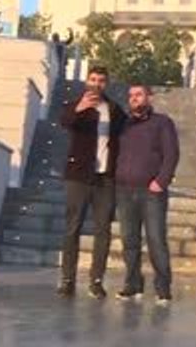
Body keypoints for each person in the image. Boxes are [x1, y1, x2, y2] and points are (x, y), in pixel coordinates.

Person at [57, 65, 125, 298]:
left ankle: (96, 281)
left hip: (105, 178)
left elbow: (126, 132)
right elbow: (65, 122)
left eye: (101, 80)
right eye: (93, 79)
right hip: (78, 176)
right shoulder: (76, 104)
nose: (97, 83)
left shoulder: (113, 109)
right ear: (87, 81)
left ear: (106, 83)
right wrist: (80, 108)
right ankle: (67, 279)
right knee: (72, 228)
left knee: (103, 231)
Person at [114, 84, 180, 304]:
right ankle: (133, 284)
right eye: (131, 95)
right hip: (124, 190)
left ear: (149, 97)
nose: (134, 99)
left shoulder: (162, 123)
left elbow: (171, 154)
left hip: (151, 192)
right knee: (129, 241)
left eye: (139, 95)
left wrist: (161, 182)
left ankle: (163, 288)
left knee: (156, 240)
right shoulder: (123, 124)